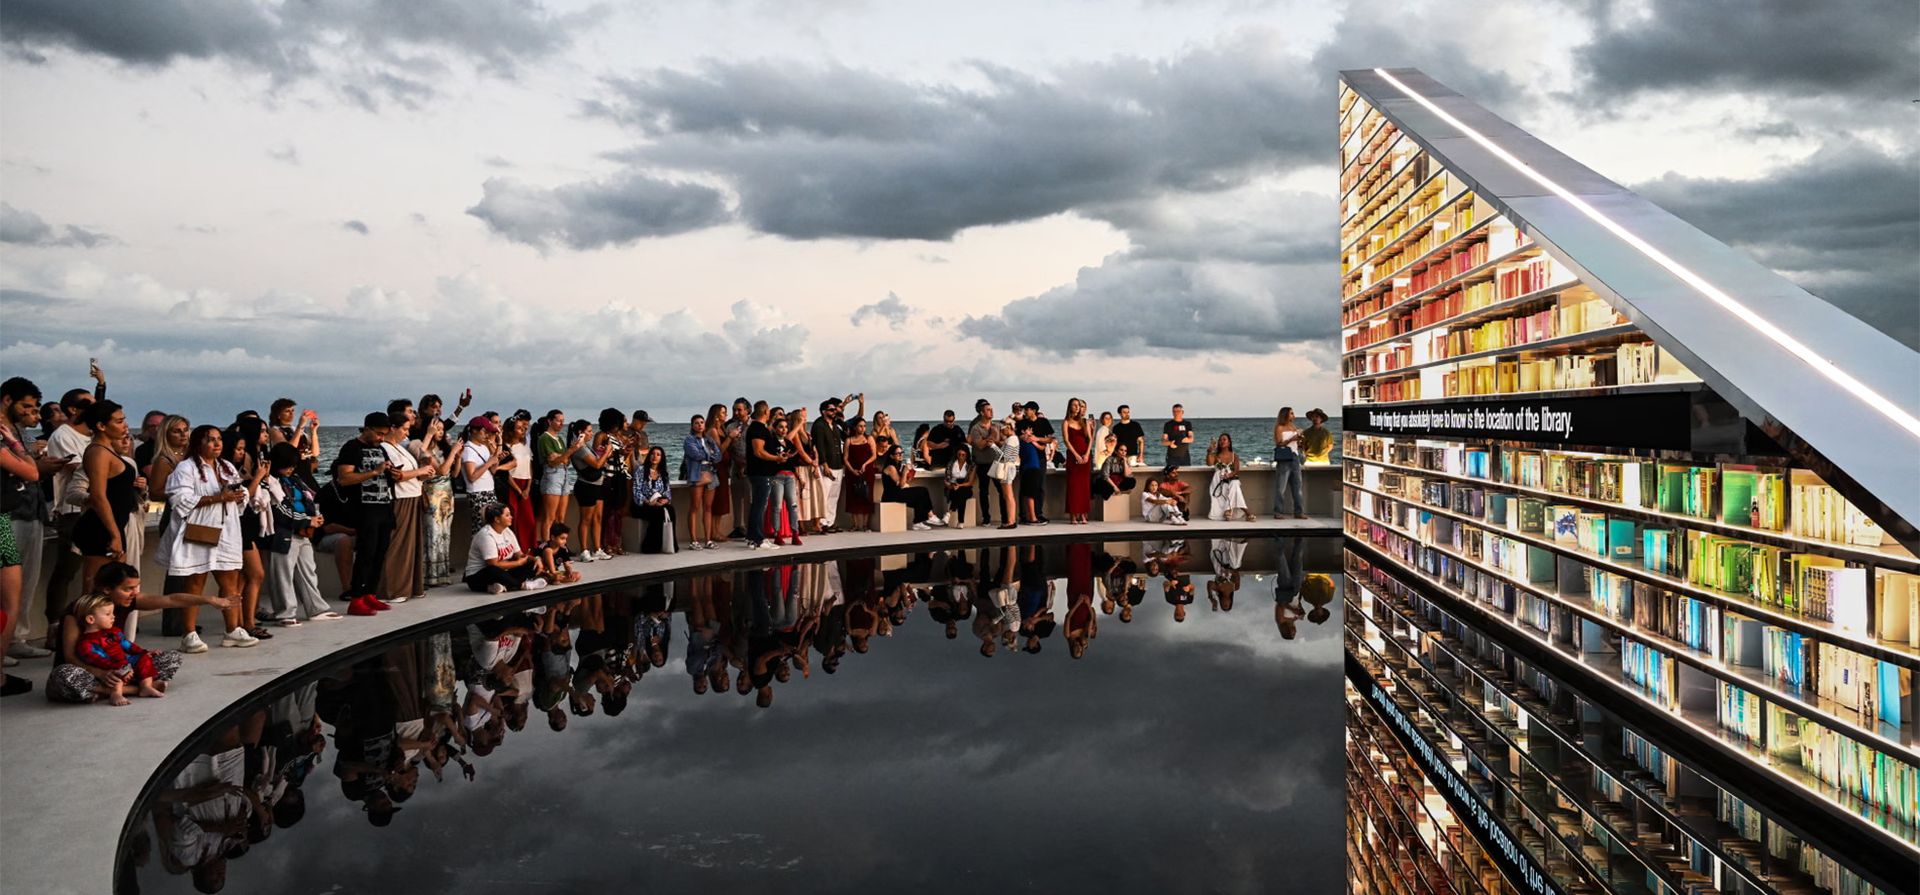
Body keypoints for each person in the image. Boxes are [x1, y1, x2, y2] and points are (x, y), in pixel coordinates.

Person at [45, 564, 217, 703]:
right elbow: (70, 657)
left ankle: (111, 691)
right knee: (64, 676)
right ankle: (136, 688)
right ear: (106, 589)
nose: (134, 593)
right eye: (128, 589)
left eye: (136, 588)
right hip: (87, 671)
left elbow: (171, 600)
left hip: (120, 670)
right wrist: (101, 674)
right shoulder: (79, 611)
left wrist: (209, 600)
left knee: (171, 658)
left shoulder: (128, 601)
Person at [163, 425, 255, 649]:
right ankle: (189, 633)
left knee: (230, 581)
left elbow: (237, 496)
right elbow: (180, 500)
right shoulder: (186, 468)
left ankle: (232, 629)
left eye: (219, 439)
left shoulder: (226, 466)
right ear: (198, 444)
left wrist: (239, 495)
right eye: (210, 440)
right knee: (195, 581)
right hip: (200, 529)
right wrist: (218, 498)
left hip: (226, 530)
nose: (217, 444)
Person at [261, 443, 339, 626]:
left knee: (308, 570)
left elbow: (309, 497)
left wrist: (314, 516)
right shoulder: (270, 481)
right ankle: (284, 612)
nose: (291, 469)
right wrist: (306, 520)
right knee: (283, 573)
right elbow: (278, 508)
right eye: (287, 465)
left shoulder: (295, 479)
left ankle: (316, 608)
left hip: (303, 531)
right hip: (283, 533)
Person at [331, 412, 398, 617]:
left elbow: (384, 471)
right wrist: (373, 472)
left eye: (384, 434)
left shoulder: (380, 449)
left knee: (380, 552)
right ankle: (357, 597)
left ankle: (370, 592)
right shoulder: (351, 448)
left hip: (383, 505)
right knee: (366, 553)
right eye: (378, 433)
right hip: (364, 508)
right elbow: (344, 478)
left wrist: (391, 473)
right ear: (367, 428)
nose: (381, 438)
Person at [71, 401, 139, 602]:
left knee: (112, 589)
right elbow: (99, 496)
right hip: (100, 529)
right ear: (101, 426)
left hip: (113, 525)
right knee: (96, 591)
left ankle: (106, 631)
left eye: (124, 420)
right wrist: (114, 534)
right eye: (119, 421)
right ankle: (83, 631)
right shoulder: (98, 452)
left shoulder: (108, 450)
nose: (125, 425)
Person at [221, 417, 274, 638]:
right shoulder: (226, 470)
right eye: (238, 449)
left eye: (243, 449)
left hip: (246, 523)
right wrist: (259, 477)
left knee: (245, 577)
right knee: (252, 574)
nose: (242, 453)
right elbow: (242, 496)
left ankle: (244, 623)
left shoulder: (240, 465)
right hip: (237, 525)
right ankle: (244, 624)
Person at [71, 593, 166, 705]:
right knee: (115, 673)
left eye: (113, 613)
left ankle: (146, 686)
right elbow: (98, 660)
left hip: (126, 665)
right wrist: (119, 667)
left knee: (145, 658)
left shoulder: (114, 632)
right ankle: (116, 693)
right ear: (91, 619)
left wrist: (144, 653)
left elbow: (128, 646)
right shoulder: (86, 644)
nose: (113, 617)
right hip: (109, 671)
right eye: (108, 614)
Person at [380, 411, 434, 604]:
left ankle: (410, 586)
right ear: (392, 429)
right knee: (398, 545)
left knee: (412, 546)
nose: (406, 433)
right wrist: (420, 471)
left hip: (413, 496)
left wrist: (423, 472)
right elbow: (397, 475)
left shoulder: (398, 448)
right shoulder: (385, 448)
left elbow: (409, 472)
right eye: (403, 429)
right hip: (401, 499)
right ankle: (393, 589)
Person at [410, 416, 464, 588]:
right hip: (432, 494)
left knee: (444, 534)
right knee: (432, 533)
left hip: (447, 494)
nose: (441, 432)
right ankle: (429, 575)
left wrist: (458, 457)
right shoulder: (426, 451)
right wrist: (454, 452)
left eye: (442, 429)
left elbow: (454, 474)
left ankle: (442, 574)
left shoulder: (444, 449)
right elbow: (441, 470)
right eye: (437, 429)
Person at [464, 504, 547, 594]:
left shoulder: (507, 531)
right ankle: (522, 585)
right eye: (507, 515)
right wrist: (518, 563)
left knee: (532, 564)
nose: (511, 517)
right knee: (493, 570)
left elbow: (519, 554)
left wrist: (536, 559)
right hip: (478, 576)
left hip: (503, 571)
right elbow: (493, 564)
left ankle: (500, 586)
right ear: (497, 519)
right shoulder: (486, 535)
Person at [534, 410, 582, 544]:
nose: (562, 423)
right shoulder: (545, 438)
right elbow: (553, 461)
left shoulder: (559, 439)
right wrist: (569, 452)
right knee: (550, 517)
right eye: (558, 420)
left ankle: (560, 546)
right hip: (552, 475)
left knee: (561, 517)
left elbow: (563, 460)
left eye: (563, 420)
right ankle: (546, 545)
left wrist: (562, 456)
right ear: (550, 421)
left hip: (564, 474)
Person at [570, 419, 613, 562]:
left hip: (597, 485)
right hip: (586, 486)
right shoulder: (580, 448)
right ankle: (584, 550)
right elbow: (596, 464)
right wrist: (606, 452)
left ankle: (597, 548)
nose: (591, 434)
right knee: (586, 519)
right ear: (580, 433)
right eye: (588, 431)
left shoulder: (587, 446)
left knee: (597, 518)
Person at [879, 442, 938, 530]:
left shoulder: (896, 465)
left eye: (901, 453)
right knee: (922, 491)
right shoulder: (891, 467)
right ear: (891, 456)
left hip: (897, 493)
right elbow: (901, 484)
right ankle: (930, 514)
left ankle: (918, 522)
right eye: (897, 454)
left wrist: (908, 476)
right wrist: (905, 471)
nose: (900, 455)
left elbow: (901, 482)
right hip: (891, 495)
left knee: (919, 497)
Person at [683, 414, 721, 550]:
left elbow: (719, 456)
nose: (699, 425)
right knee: (695, 507)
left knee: (708, 507)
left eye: (701, 422)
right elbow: (695, 454)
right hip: (697, 474)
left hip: (710, 474)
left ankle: (708, 539)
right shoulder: (689, 440)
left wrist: (709, 454)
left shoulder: (709, 440)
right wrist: (710, 454)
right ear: (692, 426)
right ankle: (693, 540)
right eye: (696, 423)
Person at [764, 415, 804, 546]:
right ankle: (777, 533)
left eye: (786, 427)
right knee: (777, 506)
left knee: (793, 505)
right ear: (775, 428)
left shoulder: (789, 443)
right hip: (777, 476)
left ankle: (795, 533)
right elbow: (770, 460)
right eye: (781, 427)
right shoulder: (771, 442)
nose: (784, 429)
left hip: (790, 476)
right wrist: (779, 458)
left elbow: (794, 462)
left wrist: (798, 476)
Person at [598, 409, 632, 558]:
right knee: (609, 512)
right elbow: (598, 454)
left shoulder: (616, 437)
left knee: (618, 511)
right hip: (609, 477)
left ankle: (616, 542)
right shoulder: (602, 436)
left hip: (619, 475)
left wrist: (626, 450)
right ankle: (606, 544)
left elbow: (621, 456)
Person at [809, 398, 846, 534]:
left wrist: (841, 419)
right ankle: (822, 522)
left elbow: (846, 434)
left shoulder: (835, 425)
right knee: (824, 494)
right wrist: (824, 464)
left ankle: (830, 522)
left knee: (834, 496)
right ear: (824, 411)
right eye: (831, 410)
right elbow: (819, 446)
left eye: (835, 410)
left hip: (838, 463)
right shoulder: (819, 425)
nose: (834, 412)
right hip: (827, 464)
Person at [499, 415, 535, 552]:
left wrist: (528, 487)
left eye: (523, 428)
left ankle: (528, 548)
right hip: (513, 485)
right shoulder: (506, 447)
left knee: (529, 519)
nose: (522, 431)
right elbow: (506, 473)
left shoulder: (524, 446)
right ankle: (515, 550)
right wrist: (518, 490)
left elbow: (529, 467)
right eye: (519, 428)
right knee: (514, 519)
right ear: (511, 430)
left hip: (525, 483)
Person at [631, 446, 676, 554]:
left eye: (658, 454)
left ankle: (670, 544)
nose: (654, 457)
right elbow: (636, 490)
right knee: (658, 513)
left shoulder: (663, 473)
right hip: (642, 505)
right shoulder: (641, 470)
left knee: (671, 510)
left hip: (658, 503)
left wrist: (665, 500)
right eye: (652, 454)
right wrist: (648, 502)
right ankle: (650, 547)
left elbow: (667, 492)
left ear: (662, 458)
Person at [1015, 402, 1054, 525]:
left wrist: (1036, 439)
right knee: (1024, 488)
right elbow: (1016, 437)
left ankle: (1038, 513)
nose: (1025, 411)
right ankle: (1023, 515)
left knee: (1040, 486)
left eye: (1027, 409)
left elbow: (1050, 439)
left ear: (1034, 410)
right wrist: (1024, 436)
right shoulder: (1021, 423)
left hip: (1040, 458)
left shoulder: (1043, 422)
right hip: (1026, 459)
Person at [788, 406, 823, 536]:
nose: (805, 419)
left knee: (816, 495)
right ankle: (801, 525)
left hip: (811, 466)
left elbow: (814, 449)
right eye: (802, 418)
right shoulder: (795, 434)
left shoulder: (807, 434)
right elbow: (801, 452)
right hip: (801, 467)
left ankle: (816, 523)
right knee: (802, 498)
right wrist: (811, 462)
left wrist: (816, 463)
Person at [1205, 433, 1254, 521]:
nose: (1221, 441)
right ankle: (1246, 512)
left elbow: (1236, 470)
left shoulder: (1234, 455)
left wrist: (1229, 475)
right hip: (1218, 481)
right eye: (1220, 440)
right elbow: (1209, 463)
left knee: (1234, 483)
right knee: (1235, 488)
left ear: (1229, 442)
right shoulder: (1216, 455)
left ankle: (1228, 510)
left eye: (1224, 439)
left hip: (1231, 478)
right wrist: (1209, 452)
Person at [966, 399, 999, 527]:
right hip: (982, 462)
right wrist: (991, 436)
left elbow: (1000, 440)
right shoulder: (975, 425)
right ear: (981, 412)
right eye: (988, 409)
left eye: (991, 409)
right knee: (984, 491)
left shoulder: (996, 425)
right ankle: (986, 518)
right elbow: (977, 443)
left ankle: (1005, 516)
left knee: (1000, 490)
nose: (991, 411)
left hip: (995, 462)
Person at [1061, 398, 1093, 524]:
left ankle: (1084, 515)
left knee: (1084, 487)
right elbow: (1066, 441)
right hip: (1073, 457)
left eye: (1078, 405)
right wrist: (1076, 455)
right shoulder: (1066, 422)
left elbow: (1090, 439)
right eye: (1074, 405)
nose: (1077, 407)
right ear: (1069, 407)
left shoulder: (1085, 422)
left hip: (1085, 456)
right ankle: (1073, 515)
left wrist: (1086, 455)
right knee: (1073, 487)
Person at [842, 416, 876, 532]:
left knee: (867, 496)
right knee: (853, 496)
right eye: (860, 426)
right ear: (855, 427)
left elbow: (874, 455)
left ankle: (866, 525)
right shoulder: (849, 440)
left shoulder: (869, 438)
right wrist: (852, 470)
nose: (862, 428)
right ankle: (855, 525)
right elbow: (845, 458)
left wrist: (865, 465)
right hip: (852, 472)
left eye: (864, 426)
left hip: (867, 471)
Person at [1272, 406, 1306, 519]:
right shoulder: (1279, 427)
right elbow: (1279, 444)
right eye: (1291, 413)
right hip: (1285, 458)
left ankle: (1298, 511)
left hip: (1295, 457)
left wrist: (1300, 440)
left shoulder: (1293, 426)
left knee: (1297, 486)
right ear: (1285, 414)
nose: (1293, 415)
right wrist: (1292, 439)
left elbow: (1296, 444)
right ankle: (1278, 512)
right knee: (1281, 487)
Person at [943, 446, 974, 527]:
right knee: (960, 495)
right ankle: (961, 522)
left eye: (963, 455)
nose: (961, 457)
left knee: (961, 492)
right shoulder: (951, 463)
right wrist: (950, 485)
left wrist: (959, 485)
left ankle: (949, 512)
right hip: (952, 485)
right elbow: (946, 479)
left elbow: (970, 482)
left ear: (967, 455)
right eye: (959, 454)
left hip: (965, 486)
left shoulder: (971, 465)